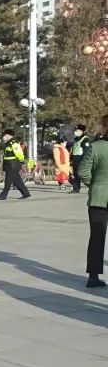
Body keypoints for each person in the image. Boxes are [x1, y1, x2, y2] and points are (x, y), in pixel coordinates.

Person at [79, 114, 108, 288]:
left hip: (99, 198)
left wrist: (94, 184)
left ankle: (93, 276)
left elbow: (83, 172)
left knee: (97, 237)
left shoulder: (95, 147)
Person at [0, 130, 30, 200]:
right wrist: (2, 141)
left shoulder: (13, 143)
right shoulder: (8, 143)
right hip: (9, 164)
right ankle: (26, 193)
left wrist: (22, 160)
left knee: (8, 181)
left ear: (9, 135)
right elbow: (2, 147)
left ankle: (3, 195)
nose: (4, 136)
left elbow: (18, 153)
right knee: (17, 181)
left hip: (12, 165)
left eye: (5, 135)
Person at [71, 124, 93, 193]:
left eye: (77, 130)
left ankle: (92, 187)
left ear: (82, 131)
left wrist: (85, 161)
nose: (76, 132)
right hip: (75, 159)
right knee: (76, 174)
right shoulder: (76, 139)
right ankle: (76, 188)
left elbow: (87, 151)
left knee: (82, 174)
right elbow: (74, 149)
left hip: (81, 159)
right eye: (75, 130)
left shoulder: (85, 139)